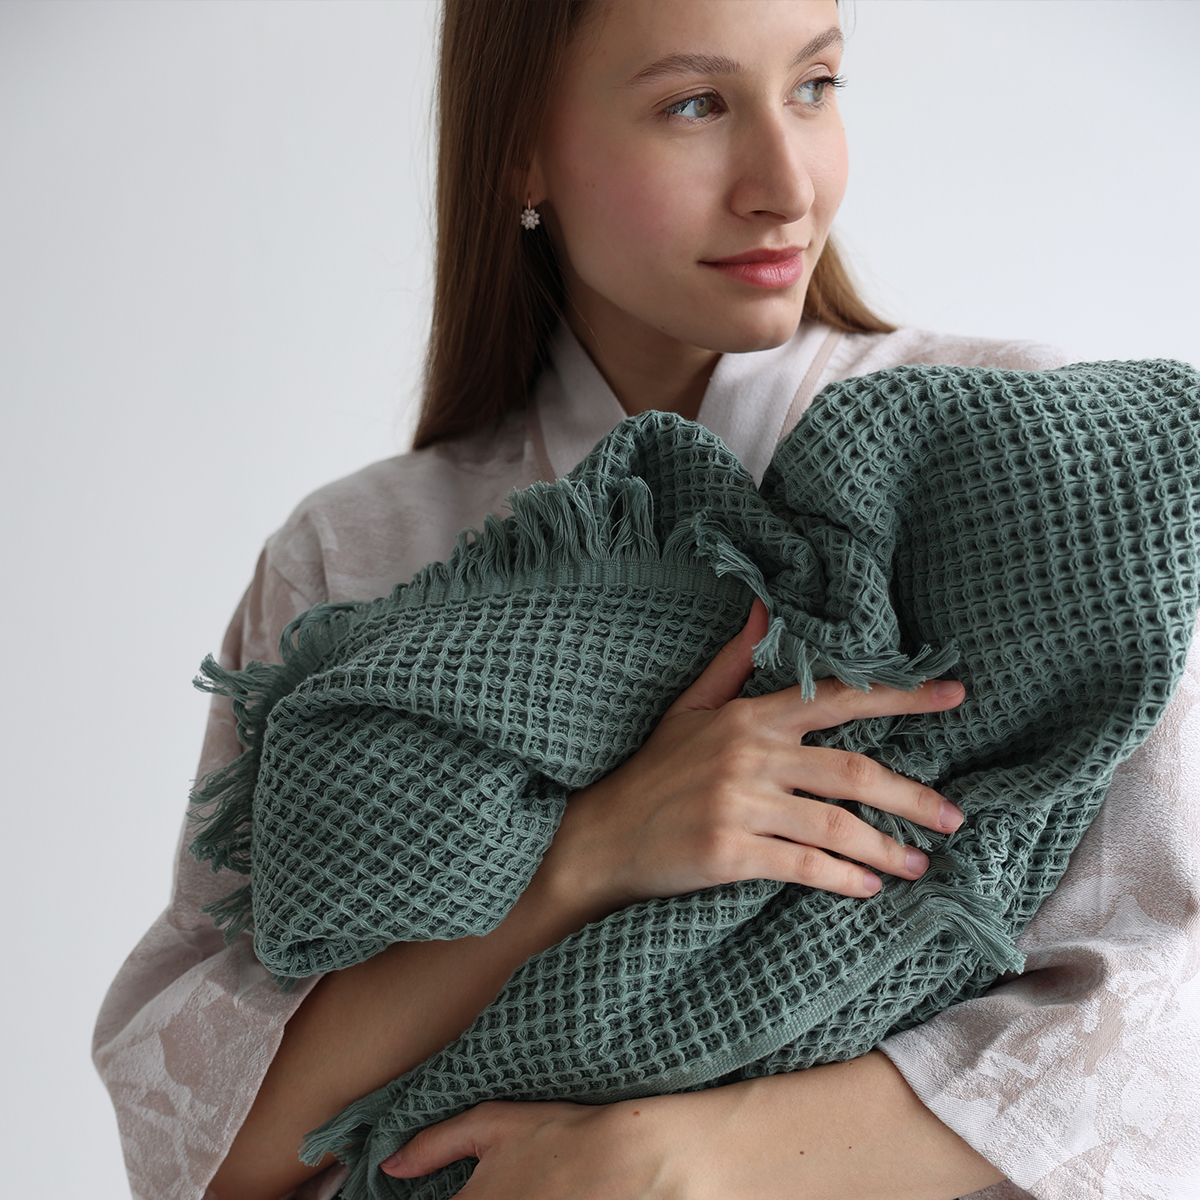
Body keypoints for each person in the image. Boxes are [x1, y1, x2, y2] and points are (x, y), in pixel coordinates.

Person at [92, 2, 1200, 1199]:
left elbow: (1164, 1002)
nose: (786, 185)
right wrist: (585, 856)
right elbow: (199, 1140)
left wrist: (689, 1156)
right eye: (694, 104)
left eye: (815, 86)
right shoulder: (357, 551)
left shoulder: (1034, 462)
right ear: (522, 149)